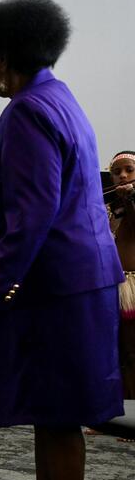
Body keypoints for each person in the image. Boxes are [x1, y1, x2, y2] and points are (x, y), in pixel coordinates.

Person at [0, 0, 124, 480]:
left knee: (59, 418)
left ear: (5, 56)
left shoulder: (28, 111)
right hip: (75, 283)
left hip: (56, 290)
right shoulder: (61, 97)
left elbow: (33, 214)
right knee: (56, 417)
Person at [107, 151, 135, 400]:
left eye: (129, 170)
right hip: (112, 286)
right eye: (117, 172)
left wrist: (130, 201)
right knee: (117, 351)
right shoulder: (107, 208)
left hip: (133, 289)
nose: (123, 176)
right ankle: (122, 408)